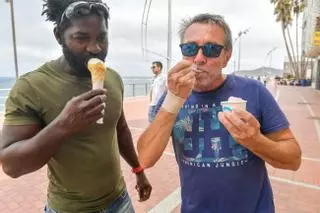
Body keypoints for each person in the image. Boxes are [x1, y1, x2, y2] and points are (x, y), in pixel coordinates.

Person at [137, 13, 301, 213]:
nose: (199, 58)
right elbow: (145, 158)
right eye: (189, 49)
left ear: (226, 57)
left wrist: (255, 141)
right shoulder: (172, 98)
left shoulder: (254, 91)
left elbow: (293, 159)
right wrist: (173, 101)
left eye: (211, 49)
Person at [0, 1, 152, 212]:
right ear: (59, 35)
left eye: (102, 37)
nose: (95, 48)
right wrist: (63, 125)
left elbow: (121, 129)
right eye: (81, 38)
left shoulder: (114, 79)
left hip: (120, 201)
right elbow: (11, 165)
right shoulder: (31, 87)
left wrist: (138, 170)